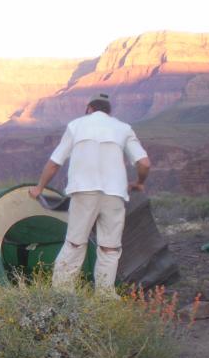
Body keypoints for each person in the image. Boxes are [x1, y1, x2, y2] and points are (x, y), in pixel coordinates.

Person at [28, 93, 150, 295]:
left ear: (89, 108)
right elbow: (144, 163)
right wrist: (138, 183)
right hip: (114, 194)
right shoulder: (123, 128)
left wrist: (39, 188)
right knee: (109, 248)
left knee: (75, 242)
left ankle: (63, 294)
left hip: (84, 191)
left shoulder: (76, 126)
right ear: (109, 112)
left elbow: (54, 162)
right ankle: (104, 297)